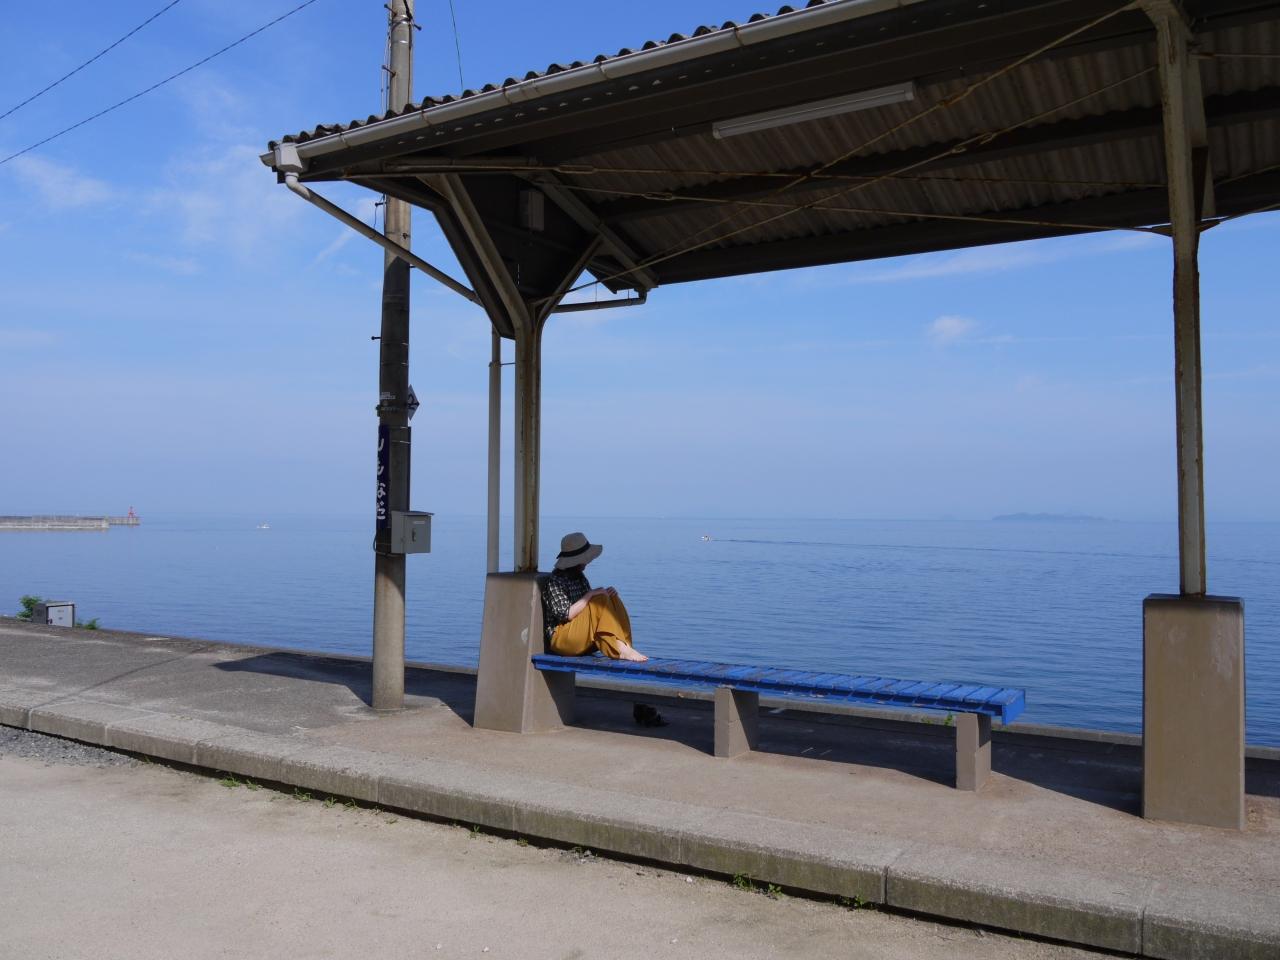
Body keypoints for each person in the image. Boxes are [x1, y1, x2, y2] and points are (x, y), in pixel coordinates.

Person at [540, 532, 648, 663]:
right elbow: (567, 614)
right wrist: (590, 594)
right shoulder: (555, 582)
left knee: (611, 597)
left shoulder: (579, 578)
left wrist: (606, 595)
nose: (587, 562)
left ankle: (623, 644)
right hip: (562, 640)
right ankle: (619, 649)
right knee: (599, 599)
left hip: (580, 637)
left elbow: (590, 609)